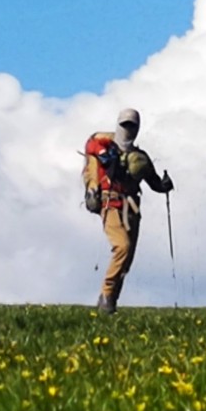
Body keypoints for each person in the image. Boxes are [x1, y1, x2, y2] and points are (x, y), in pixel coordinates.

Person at [86, 107, 173, 315]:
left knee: (126, 261)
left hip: (132, 208)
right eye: (125, 125)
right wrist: (92, 190)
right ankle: (107, 294)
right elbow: (91, 147)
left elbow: (153, 182)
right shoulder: (102, 146)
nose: (128, 129)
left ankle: (109, 303)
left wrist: (164, 185)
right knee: (122, 247)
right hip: (111, 204)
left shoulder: (140, 157)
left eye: (132, 125)